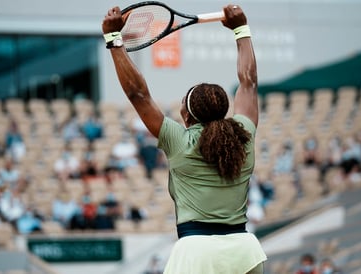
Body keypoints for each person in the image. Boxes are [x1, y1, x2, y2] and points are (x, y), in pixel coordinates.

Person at [102, 4, 267, 274]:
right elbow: (248, 82)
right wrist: (241, 29)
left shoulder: (178, 140)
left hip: (197, 252)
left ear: (187, 116)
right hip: (245, 251)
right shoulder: (244, 134)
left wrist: (113, 40)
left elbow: (138, 95)